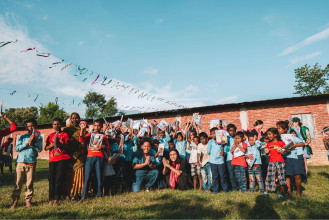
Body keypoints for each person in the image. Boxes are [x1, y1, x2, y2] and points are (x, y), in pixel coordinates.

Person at [10, 119, 43, 209]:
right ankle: (15, 201)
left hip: (31, 163)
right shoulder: (22, 137)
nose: (30, 128)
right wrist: (27, 143)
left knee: (29, 183)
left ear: (35, 126)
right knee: (18, 183)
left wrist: (33, 142)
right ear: (26, 127)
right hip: (20, 162)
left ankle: (28, 201)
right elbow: (17, 148)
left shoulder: (39, 138)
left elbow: (39, 149)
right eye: (28, 126)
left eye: (32, 126)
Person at [78, 119, 110, 203]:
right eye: (95, 125)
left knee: (99, 176)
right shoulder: (90, 134)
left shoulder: (103, 136)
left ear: (101, 126)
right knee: (87, 176)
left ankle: (99, 194)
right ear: (93, 126)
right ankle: (84, 196)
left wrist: (102, 147)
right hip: (90, 156)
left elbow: (108, 147)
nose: (96, 127)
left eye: (98, 125)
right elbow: (81, 140)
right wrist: (82, 129)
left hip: (99, 156)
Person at [45, 118, 71, 206]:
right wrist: (51, 145)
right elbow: (45, 148)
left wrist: (61, 145)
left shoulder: (65, 134)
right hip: (52, 159)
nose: (56, 126)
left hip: (61, 159)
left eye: (58, 124)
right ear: (52, 126)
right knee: (51, 179)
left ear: (61, 125)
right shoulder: (50, 135)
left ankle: (56, 199)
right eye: (55, 124)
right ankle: (50, 199)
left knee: (58, 179)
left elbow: (68, 147)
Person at [277, 121, 305, 198]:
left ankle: (298, 192)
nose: (278, 130)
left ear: (285, 129)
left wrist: (294, 145)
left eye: (279, 129)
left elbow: (302, 143)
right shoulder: (278, 138)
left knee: (297, 175)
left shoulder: (291, 136)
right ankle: (289, 191)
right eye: (277, 129)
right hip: (285, 158)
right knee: (287, 175)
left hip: (294, 157)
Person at [63, 113, 87, 199]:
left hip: (80, 155)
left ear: (79, 119)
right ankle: (68, 193)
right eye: (72, 118)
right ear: (70, 119)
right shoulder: (66, 130)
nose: (74, 120)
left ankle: (77, 193)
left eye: (76, 118)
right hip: (69, 155)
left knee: (79, 174)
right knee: (69, 175)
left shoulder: (83, 130)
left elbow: (85, 142)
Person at [263, 127, 287, 200]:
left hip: (280, 161)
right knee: (269, 176)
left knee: (281, 176)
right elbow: (267, 151)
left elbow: (286, 149)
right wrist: (266, 151)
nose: (268, 136)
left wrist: (283, 151)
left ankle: (281, 193)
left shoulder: (281, 143)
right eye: (268, 134)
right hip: (271, 162)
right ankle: (266, 192)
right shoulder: (268, 144)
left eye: (270, 134)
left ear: (275, 134)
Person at [208, 127, 228, 193]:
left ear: (218, 134)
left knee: (223, 176)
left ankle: (225, 190)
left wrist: (223, 150)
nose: (213, 135)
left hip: (220, 161)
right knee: (214, 176)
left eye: (214, 134)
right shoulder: (210, 141)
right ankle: (215, 190)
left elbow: (225, 151)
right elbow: (208, 151)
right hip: (213, 161)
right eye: (211, 134)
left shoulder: (223, 141)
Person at [224, 124, 238, 191]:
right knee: (231, 174)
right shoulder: (226, 138)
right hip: (229, 159)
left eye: (233, 131)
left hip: (237, 158)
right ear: (227, 131)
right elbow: (226, 150)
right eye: (230, 131)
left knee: (238, 174)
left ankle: (240, 187)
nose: (232, 132)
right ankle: (234, 188)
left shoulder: (237, 138)